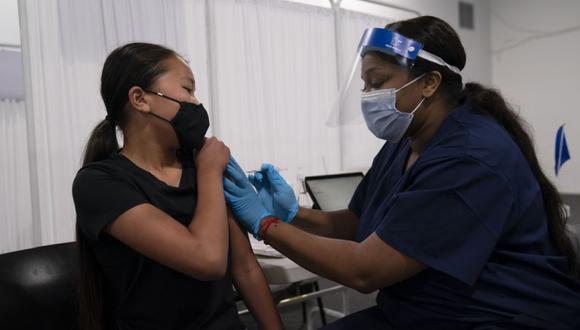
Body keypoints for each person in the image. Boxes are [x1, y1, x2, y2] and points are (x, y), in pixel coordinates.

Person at [223, 16, 580, 329]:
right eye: (364, 84)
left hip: (496, 316)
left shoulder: (469, 157)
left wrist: (265, 225)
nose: (367, 96)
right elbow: (359, 224)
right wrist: (292, 214)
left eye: (377, 82)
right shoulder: (405, 140)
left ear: (429, 83)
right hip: (424, 312)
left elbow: (365, 270)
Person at [72, 43, 282, 330]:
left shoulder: (199, 166)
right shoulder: (100, 183)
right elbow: (207, 259)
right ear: (140, 99)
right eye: (187, 89)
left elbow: (244, 268)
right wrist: (209, 171)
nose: (196, 103)